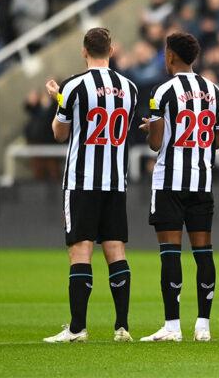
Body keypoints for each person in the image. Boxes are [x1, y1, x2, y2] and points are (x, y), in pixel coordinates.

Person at [43, 27, 138, 343]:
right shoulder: (130, 88)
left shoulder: (72, 86)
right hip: (114, 181)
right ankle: (122, 326)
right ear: (111, 52)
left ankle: (77, 328)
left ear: (84, 51)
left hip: (81, 180)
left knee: (80, 250)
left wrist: (58, 100)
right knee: (115, 249)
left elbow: (60, 133)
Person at [138, 32, 219, 342]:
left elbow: (157, 143)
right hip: (201, 182)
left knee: (170, 253)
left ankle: (172, 326)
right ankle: (203, 325)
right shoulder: (214, 91)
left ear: (171, 56)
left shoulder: (161, 91)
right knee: (204, 253)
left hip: (169, 183)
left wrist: (151, 128)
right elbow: (215, 140)